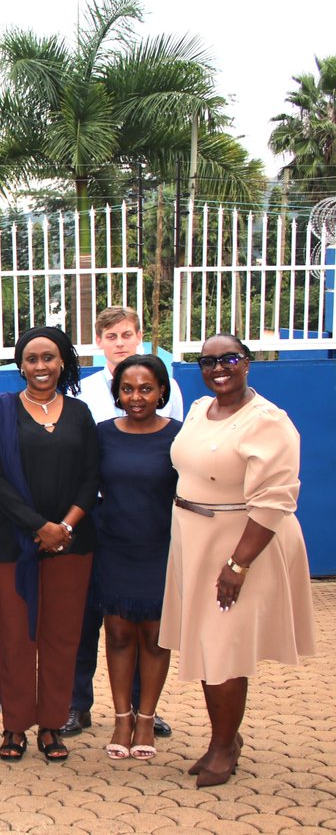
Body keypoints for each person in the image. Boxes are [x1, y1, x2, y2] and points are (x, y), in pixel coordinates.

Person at [160, 334, 316, 787]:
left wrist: (238, 564)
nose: (218, 368)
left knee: (223, 647)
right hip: (196, 540)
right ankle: (222, 738)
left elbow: (274, 502)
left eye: (229, 358)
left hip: (243, 545)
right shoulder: (197, 411)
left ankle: (225, 746)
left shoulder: (268, 421)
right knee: (209, 647)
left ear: (247, 363)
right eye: (207, 361)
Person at [0, 326, 99, 762]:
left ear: (63, 361)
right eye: (31, 359)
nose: (40, 366)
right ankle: (14, 726)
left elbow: (91, 476)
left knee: (61, 637)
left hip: (71, 545)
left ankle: (51, 724)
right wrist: (37, 526)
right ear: (20, 365)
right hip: (12, 542)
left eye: (48, 357)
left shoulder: (81, 414)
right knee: (13, 639)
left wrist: (63, 527)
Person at [65, 306, 182, 739]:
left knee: (148, 627)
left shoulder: (175, 412)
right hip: (100, 526)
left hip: (153, 532)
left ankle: (142, 709)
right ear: (99, 341)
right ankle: (79, 706)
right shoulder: (82, 392)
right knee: (93, 625)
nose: (137, 396)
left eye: (127, 334)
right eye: (111, 335)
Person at [93, 355, 181, 761]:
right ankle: (122, 718)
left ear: (162, 391)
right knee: (119, 635)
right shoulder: (103, 434)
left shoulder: (180, 437)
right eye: (127, 389)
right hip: (114, 548)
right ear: (117, 393)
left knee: (155, 636)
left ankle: (146, 718)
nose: (136, 397)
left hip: (161, 550)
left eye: (146, 388)